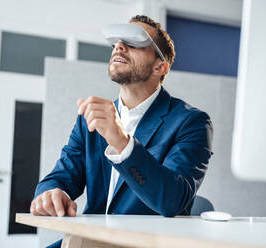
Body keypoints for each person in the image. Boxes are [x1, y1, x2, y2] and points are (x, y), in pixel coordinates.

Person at [31, 14, 213, 232]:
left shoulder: (191, 123)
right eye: (116, 42)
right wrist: (51, 193)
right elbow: (59, 178)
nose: (119, 47)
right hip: (92, 241)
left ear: (160, 68)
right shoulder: (91, 119)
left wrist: (122, 143)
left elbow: (172, 200)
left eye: (134, 42)